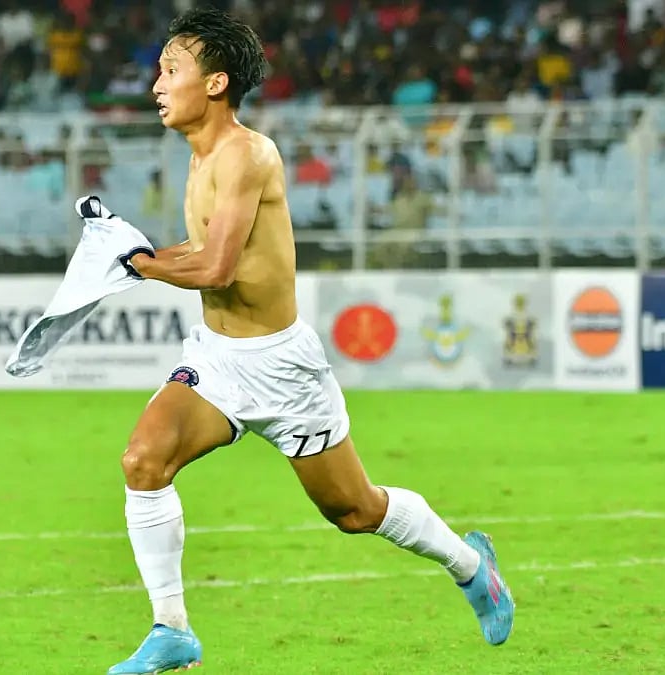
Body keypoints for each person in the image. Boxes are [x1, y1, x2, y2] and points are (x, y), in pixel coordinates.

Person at [105, 9, 514, 674]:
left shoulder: (247, 152)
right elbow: (201, 251)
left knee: (355, 509)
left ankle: (472, 566)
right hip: (216, 356)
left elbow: (217, 267)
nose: (155, 84)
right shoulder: (200, 154)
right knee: (143, 461)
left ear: (214, 84)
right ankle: (171, 627)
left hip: (283, 367)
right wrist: (138, 253)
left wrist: (136, 263)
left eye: (169, 70)